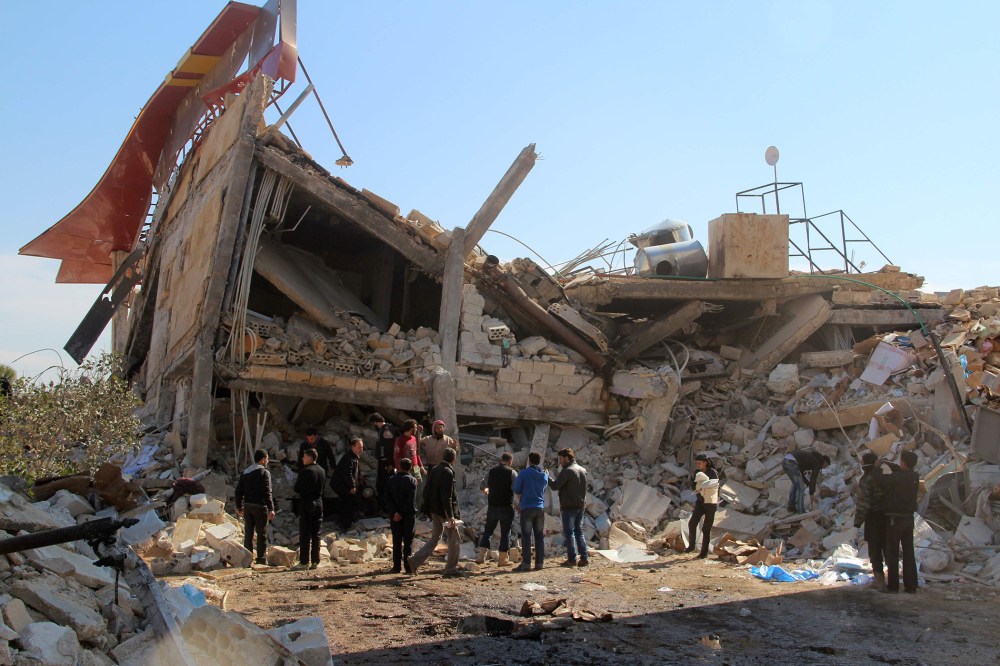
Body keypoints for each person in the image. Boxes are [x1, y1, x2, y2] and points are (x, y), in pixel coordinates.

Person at [407, 447, 462, 576]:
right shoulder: (448, 472)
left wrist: (429, 508)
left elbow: (427, 490)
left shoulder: (435, 469)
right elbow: (447, 496)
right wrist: (450, 516)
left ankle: (415, 560)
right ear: (453, 459)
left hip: (434, 510)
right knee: (455, 539)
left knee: (435, 537)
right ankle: (451, 569)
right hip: (444, 512)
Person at [880, 449, 920, 593]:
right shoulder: (914, 476)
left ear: (903, 462)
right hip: (909, 518)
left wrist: (875, 468)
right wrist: (892, 466)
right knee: (909, 552)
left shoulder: (896, 478)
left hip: (894, 519)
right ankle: (911, 585)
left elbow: (882, 481)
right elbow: (902, 474)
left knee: (893, 552)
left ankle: (893, 585)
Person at [548, 447, 590, 567]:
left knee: (569, 532)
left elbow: (555, 486)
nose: (560, 461)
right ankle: (584, 557)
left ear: (567, 458)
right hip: (581, 505)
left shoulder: (567, 471)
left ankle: (572, 559)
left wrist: (547, 478)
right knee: (578, 531)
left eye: (561, 459)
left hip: (569, 506)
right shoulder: (582, 470)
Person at [476, 452, 517, 567]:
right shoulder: (512, 472)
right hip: (506, 507)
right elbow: (516, 488)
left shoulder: (491, 471)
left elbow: (482, 485)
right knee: (505, 533)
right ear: (510, 462)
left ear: (500, 460)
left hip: (492, 506)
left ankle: (481, 556)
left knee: (488, 531)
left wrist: (486, 491)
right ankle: (502, 559)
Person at [234, 449, 276, 566]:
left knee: (248, 533)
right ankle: (261, 559)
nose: (267, 461)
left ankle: (247, 559)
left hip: (247, 506)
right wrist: (271, 508)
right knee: (262, 533)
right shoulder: (264, 473)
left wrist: (239, 506)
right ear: (263, 460)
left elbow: (238, 491)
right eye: (267, 458)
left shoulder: (245, 472)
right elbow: (267, 491)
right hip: (260, 506)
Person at [854, 452, 888, 590]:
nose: (861, 464)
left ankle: (879, 580)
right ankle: (892, 579)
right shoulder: (884, 478)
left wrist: (857, 522)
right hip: (887, 517)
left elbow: (864, 503)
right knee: (888, 548)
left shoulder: (866, 479)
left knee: (874, 549)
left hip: (873, 518)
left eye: (862, 462)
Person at [513, 452, 549, 572]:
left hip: (527, 507)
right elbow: (544, 487)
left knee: (526, 536)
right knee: (539, 536)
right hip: (540, 508)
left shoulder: (524, 473)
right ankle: (539, 563)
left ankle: (526, 563)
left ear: (529, 461)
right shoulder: (544, 475)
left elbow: (516, 489)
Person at [293, 448, 326, 569]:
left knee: (305, 533)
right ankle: (315, 561)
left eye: (304, 456)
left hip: (307, 503)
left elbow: (297, 488)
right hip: (319, 503)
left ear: (310, 457)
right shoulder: (321, 470)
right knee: (316, 533)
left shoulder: (305, 471)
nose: (302, 458)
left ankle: (304, 561)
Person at [385, 458, 418, 574]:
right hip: (408, 515)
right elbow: (410, 500)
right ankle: (408, 567)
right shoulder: (412, 481)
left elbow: (388, 498)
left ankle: (396, 567)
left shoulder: (391, 480)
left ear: (399, 466)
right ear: (410, 468)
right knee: (408, 542)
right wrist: (402, 513)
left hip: (394, 516)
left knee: (396, 541)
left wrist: (395, 512)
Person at [685, 453, 720, 559]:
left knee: (706, 528)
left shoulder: (712, 472)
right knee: (692, 523)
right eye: (697, 463)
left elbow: (716, 486)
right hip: (700, 502)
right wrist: (697, 489)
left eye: (699, 463)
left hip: (710, 503)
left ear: (705, 463)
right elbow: (693, 484)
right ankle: (691, 546)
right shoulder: (697, 472)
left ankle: (703, 553)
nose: (698, 465)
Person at [332, 437, 364, 531]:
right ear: (352, 447)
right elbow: (348, 473)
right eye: (359, 447)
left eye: (362, 447)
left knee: (348, 503)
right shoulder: (349, 458)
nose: (361, 449)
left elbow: (355, 471)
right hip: (342, 485)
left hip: (344, 484)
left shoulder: (354, 456)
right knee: (348, 504)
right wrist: (352, 486)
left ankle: (345, 522)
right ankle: (345, 525)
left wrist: (360, 476)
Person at [370, 413, 397, 508]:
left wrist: (390, 463)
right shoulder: (382, 430)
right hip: (383, 461)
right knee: (381, 484)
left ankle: (387, 507)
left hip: (386, 462)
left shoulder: (386, 430)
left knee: (385, 484)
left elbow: (390, 447)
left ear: (375, 422)